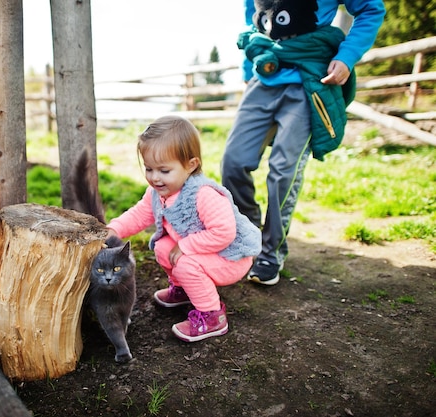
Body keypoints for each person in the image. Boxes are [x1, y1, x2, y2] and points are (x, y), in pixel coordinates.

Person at [221, 0, 386, 286]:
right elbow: (253, 15)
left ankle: (271, 253)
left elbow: (371, 8)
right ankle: (249, 237)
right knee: (233, 162)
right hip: (264, 77)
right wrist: (249, 70)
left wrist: (347, 56)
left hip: (308, 79)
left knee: (284, 170)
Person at [105, 115, 261, 342]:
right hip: (205, 250)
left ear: (191, 165)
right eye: (149, 169)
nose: (155, 178)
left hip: (230, 256)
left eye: (164, 171)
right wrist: (115, 229)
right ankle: (185, 289)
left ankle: (212, 316)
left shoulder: (204, 194)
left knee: (185, 262)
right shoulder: (158, 193)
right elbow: (140, 214)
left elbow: (223, 232)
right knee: (162, 246)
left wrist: (186, 245)